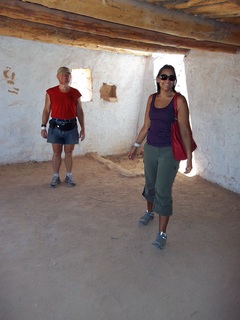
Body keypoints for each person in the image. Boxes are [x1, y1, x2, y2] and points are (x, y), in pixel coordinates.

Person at [128, 64, 193, 250]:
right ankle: (149, 212)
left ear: (174, 81)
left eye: (171, 77)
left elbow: (185, 130)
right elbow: (146, 125)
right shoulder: (151, 98)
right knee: (150, 186)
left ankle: (162, 233)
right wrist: (136, 145)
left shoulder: (179, 100)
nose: (167, 81)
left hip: (169, 152)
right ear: (157, 79)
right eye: (164, 77)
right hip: (150, 149)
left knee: (162, 190)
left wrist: (189, 158)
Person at [41, 66, 85, 188]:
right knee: (56, 153)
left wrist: (83, 128)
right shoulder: (51, 92)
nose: (65, 77)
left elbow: (80, 111)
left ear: (70, 77)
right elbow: (46, 110)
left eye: (67, 75)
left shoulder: (75, 93)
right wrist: (43, 127)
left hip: (71, 127)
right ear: (57, 76)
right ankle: (55, 176)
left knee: (69, 152)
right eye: (62, 74)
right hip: (55, 127)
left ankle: (69, 175)